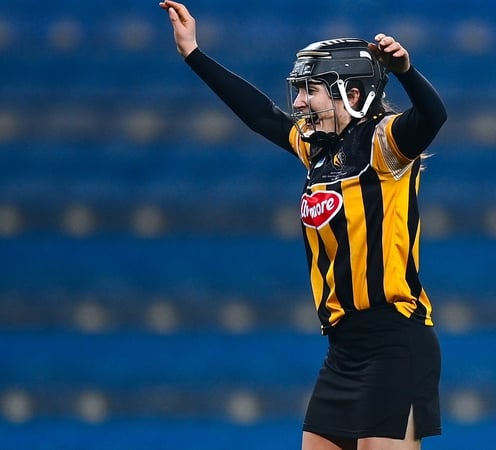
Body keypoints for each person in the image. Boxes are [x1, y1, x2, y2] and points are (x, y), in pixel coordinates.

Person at [159, 2, 446, 449]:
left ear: (351, 93)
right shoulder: (315, 149)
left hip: (395, 337)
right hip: (343, 347)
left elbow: (433, 117)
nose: (298, 102)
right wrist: (193, 53)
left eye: (310, 90)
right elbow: (261, 115)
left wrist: (406, 70)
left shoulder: (385, 144)